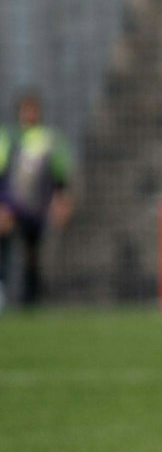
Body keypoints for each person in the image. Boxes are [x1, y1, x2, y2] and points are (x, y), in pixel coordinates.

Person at [0, 92, 74, 309]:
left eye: (34, 109)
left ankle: (31, 300)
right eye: (27, 109)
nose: (30, 114)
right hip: (10, 205)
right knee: (5, 249)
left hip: (35, 207)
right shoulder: (9, 137)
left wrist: (61, 198)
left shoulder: (49, 138)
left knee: (33, 253)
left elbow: (59, 172)